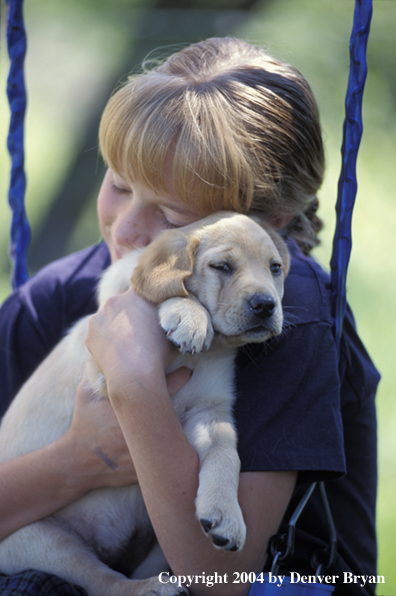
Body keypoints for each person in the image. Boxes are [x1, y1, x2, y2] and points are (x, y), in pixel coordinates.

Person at [0, 38, 379, 596]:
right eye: (119, 185)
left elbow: (218, 581)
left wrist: (135, 385)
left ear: (270, 221)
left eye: (172, 214)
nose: (126, 232)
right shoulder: (54, 297)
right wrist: (80, 459)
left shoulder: (289, 318)